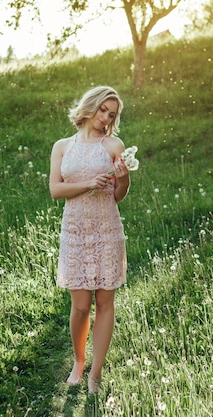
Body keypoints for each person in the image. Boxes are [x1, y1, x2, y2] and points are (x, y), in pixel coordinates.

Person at [49, 86, 130, 393]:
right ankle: (79, 362)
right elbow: (56, 190)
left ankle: (95, 373)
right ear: (89, 107)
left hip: (106, 229)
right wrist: (87, 183)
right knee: (81, 305)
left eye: (112, 114)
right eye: (102, 111)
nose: (106, 118)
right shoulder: (62, 146)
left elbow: (118, 196)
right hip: (75, 231)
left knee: (104, 302)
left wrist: (123, 179)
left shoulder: (113, 144)